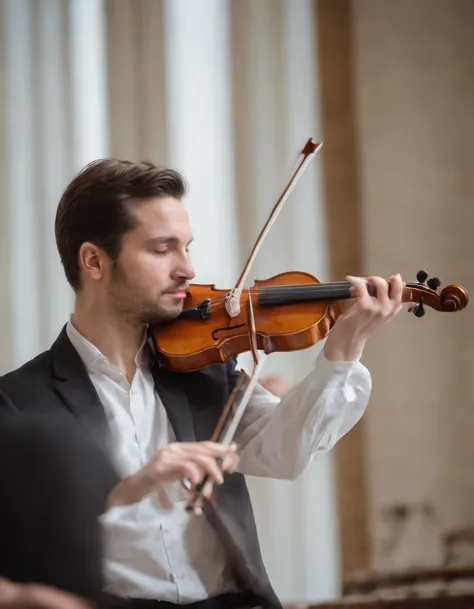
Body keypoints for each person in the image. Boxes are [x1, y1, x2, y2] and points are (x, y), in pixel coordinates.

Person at [0, 160, 403, 609]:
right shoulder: (18, 404)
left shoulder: (205, 370)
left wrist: (344, 350)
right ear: (94, 260)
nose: (187, 269)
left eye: (187, 247)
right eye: (162, 249)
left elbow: (285, 452)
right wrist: (134, 483)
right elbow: (25, 542)